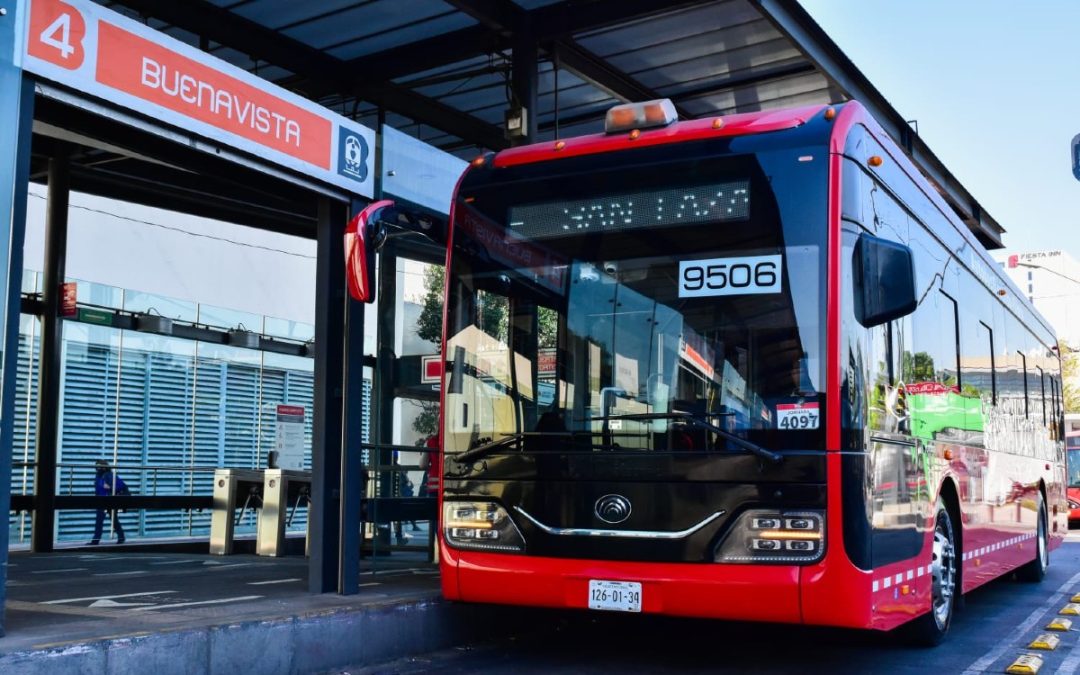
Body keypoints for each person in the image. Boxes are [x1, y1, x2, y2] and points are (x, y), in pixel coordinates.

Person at [89, 459, 128, 545]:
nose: (97, 468)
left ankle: (97, 540)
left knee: (110, 520)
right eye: (96, 466)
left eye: (99, 466)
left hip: (109, 500)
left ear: (104, 467)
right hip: (101, 500)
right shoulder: (98, 476)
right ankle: (120, 537)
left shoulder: (109, 475)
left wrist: (109, 487)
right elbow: (98, 489)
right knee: (106, 520)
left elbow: (121, 485)